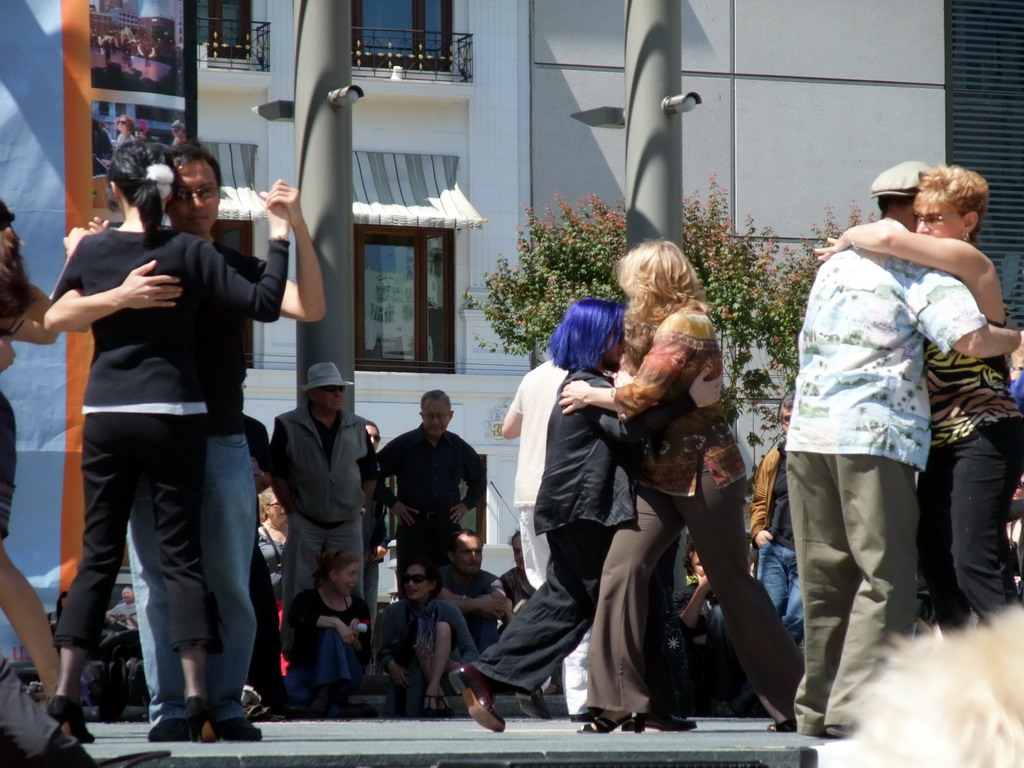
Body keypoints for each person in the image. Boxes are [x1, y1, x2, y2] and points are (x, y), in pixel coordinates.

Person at [61, 140, 322, 742]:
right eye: (185, 191)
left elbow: (307, 304)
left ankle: (224, 703)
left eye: (207, 190)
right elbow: (61, 312)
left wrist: (296, 227)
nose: (197, 202)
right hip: (154, 432)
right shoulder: (138, 252)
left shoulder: (219, 259)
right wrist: (98, 255)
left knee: (229, 578)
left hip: (221, 437)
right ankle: (171, 707)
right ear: (162, 194)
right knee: (156, 579)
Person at [785, 161, 1022, 738]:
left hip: (812, 435)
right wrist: (1016, 336)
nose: (931, 223)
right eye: (929, 212)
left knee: (826, 579)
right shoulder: (919, 271)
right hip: (876, 436)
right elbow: (969, 337)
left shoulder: (836, 263)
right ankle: (853, 710)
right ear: (917, 209)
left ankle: (817, 707)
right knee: (887, 576)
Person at [560, 240, 802, 732]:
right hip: (662, 474)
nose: (627, 288)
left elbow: (642, 393)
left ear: (651, 279)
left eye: (633, 279)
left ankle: (799, 702)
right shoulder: (655, 327)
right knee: (621, 571)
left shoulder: (688, 325)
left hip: (708, 473)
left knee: (733, 584)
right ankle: (615, 700)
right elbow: (635, 378)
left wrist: (591, 393)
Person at [451, 298, 696, 734]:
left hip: (576, 509)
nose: (624, 342)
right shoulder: (583, 385)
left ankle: (655, 706)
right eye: (617, 333)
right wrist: (685, 402)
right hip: (585, 511)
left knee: (645, 598)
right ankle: (488, 673)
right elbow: (630, 430)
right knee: (574, 601)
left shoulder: (590, 383)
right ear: (598, 337)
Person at [818, 164, 1024, 630]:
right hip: (939, 442)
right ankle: (965, 685)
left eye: (934, 218)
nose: (922, 227)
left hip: (984, 435)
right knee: (937, 566)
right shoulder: (922, 280)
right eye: (920, 218)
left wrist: (850, 234)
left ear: (968, 221)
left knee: (975, 563)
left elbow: (888, 239)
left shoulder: (974, 265)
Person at [271, 362, 377, 653]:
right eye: (330, 388)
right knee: (298, 589)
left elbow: (370, 475)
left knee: (352, 589)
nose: (338, 393)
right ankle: (294, 657)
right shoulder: (287, 424)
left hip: (347, 522)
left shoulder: (358, 426)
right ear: (313, 393)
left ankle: (356, 657)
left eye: (340, 388)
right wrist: (292, 512)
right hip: (305, 519)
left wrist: (361, 510)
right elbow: (277, 473)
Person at [0, 200, 60, 698]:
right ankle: (61, 685)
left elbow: (52, 325)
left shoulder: (9, 291)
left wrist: (81, 257)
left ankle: (61, 685)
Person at [377, 390, 485, 576]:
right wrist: (393, 504)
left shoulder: (458, 447)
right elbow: (371, 475)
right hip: (412, 528)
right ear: (421, 415)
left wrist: (467, 505)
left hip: (447, 528)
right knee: (411, 583)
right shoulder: (404, 445)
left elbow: (479, 478)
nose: (435, 421)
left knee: (447, 582)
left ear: (450, 415)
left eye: (441, 416)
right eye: (430, 416)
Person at [379, 558, 477, 717]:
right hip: (410, 670)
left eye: (417, 579)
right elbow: (385, 650)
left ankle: (433, 690)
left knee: (442, 627)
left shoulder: (448, 610)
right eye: (406, 579)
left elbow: (471, 652)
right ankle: (435, 692)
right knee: (420, 629)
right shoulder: (394, 611)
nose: (410, 584)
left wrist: (455, 666)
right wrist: (391, 665)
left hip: (447, 672)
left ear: (432, 584)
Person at [284, 549, 372, 717]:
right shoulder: (307, 599)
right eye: (351, 574)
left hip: (345, 675)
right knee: (288, 690)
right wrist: (336, 622)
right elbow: (296, 618)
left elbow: (365, 656)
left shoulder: (359, 606)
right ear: (333, 575)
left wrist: (354, 641)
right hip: (309, 671)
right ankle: (337, 709)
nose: (355, 580)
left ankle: (324, 694)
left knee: (331, 634)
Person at [748, 392, 802, 645]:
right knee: (768, 616)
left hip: (806, 550)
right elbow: (759, 500)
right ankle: (770, 679)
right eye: (786, 419)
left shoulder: (821, 459)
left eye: (795, 418)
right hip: (774, 548)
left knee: (798, 617)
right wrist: (758, 533)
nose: (790, 424)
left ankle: (781, 674)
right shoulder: (774, 457)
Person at [674, 540, 744, 717]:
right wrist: (702, 591)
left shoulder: (734, 594)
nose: (706, 567)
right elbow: (684, 627)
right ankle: (720, 701)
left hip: (733, 662)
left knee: (720, 613)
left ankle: (728, 700)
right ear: (691, 569)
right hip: (701, 667)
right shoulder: (684, 595)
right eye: (699, 564)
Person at [439, 529, 506, 653]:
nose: (474, 557)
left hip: (481, 643)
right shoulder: (437, 578)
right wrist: (480, 603)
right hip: (449, 648)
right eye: (467, 552)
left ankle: (487, 666)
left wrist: (455, 600)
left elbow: (500, 607)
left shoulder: (491, 580)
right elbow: (440, 605)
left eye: (478, 552)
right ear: (451, 556)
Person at [361, 421, 389, 619]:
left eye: (376, 437)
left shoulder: (379, 473)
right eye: (367, 436)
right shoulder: (345, 467)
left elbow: (381, 516)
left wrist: (383, 541)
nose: (372, 441)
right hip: (346, 551)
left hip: (370, 554)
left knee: (369, 614)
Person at [498, 531, 536, 623]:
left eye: (526, 549)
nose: (521, 556)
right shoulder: (507, 580)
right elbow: (505, 618)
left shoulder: (549, 576)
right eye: (517, 551)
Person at [257, 488, 287, 602]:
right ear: (266, 509)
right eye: (278, 504)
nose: (284, 507)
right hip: (269, 598)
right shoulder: (257, 534)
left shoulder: (295, 532)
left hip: (293, 595)